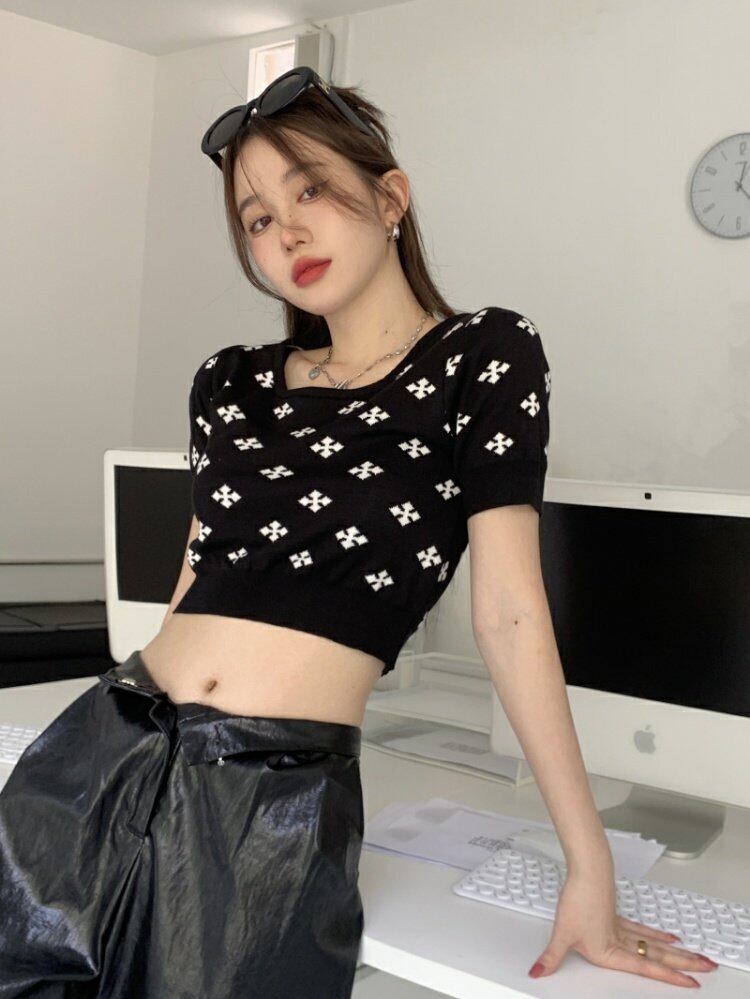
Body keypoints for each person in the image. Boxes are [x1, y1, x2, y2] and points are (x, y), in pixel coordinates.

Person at [0, 67, 713, 996]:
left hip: (271, 798)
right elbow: (192, 583)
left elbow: (508, 614)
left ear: (390, 198)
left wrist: (590, 863)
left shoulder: (482, 356)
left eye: (310, 190)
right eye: (258, 218)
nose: (286, 231)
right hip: (102, 755)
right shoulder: (230, 381)